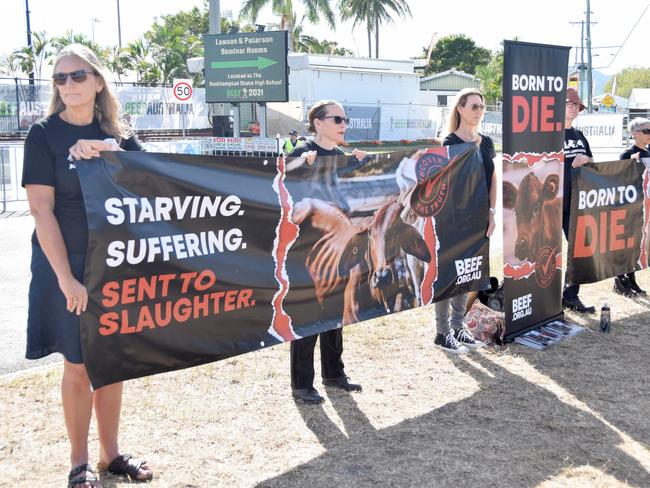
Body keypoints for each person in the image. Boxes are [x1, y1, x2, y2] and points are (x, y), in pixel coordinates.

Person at [21, 44, 153, 488]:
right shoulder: (43, 135)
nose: (68, 84)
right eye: (60, 78)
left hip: (114, 264)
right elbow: (42, 212)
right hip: (68, 266)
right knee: (77, 366)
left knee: (111, 361)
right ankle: (79, 462)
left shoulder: (119, 132)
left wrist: (112, 150)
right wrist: (66, 280)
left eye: (78, 76)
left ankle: (110, 455)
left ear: (98, 81)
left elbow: (155, 184)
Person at [287, 100, 366, 404]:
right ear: (318, 123)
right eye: (337, 119)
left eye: (345, 119)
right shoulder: (301, 153)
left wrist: (360, 165)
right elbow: (285, 196)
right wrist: (298, 168)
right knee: (309, 315)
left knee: (335, 312)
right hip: (307, 252)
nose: (343, 124)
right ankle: (302, 384)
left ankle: (334, 373)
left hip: (339, 250)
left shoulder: (342, 157)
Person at [435, 88, 496, 353]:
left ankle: (459, 327)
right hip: (454, 221)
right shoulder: (449, 143)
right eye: (473, 106)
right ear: (459, 108)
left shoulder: (486, 142)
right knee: (450, 276)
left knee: (469, 273)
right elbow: (442, 185)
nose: (479, 111)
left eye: (481, 106)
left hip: (479, 218)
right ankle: (442, 332)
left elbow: (492, 178)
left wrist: (491, 212)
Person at [562, 88, 596, 313]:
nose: (574, 108)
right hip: (552, 202)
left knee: (581, 249)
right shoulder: (548, 134)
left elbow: (593, 163)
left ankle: (570, 295)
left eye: (577, 105)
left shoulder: (579, 135)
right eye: (570, 103)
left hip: (576, 202)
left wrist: (586, 159)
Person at [614, 117, 650, 296]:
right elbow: (619, 179)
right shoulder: (627, 153)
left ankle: (631, 278)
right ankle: (620, 281)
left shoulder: (649, 153)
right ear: (635, 134)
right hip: (629, 207)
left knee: (636, 244)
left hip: (643, 207)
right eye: (646, 131)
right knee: (625, 244)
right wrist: (631, 163)